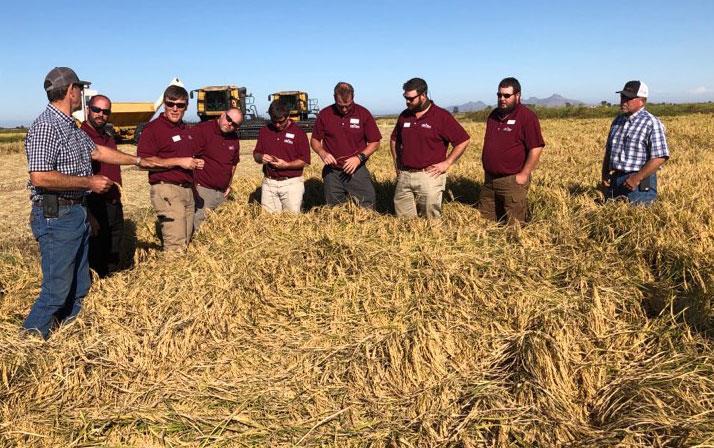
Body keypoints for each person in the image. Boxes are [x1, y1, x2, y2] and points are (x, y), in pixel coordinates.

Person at [23, 67, 154, 339]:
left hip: (74, 211)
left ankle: (67, 337)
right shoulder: (46, 126)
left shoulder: (70, 125)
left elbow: (98, 151)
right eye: (80, 89)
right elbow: (40, 176)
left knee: (81, 284)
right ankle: (29, 342)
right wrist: (89, 182)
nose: (81, 94)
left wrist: (137, 161)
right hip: (54, 213)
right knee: (57, 289)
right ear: (71, 90)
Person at [137, 85, 205, 251]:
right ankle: (171, 275)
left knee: (186, 241)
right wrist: (179, 161)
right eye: (170, 104)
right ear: (164, 104)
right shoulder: (153, 129)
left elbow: (184, 158)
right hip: (167, 189)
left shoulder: (185, 130)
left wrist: (195, 163)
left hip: (187, 191)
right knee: (175, 246)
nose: (175, 109)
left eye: (180, 105)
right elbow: (144, 161)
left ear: (186, 107)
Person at [390, 77, 470, 218]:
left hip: (429, 176)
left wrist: (447, 163)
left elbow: (462, 140)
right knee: (404, 223)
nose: (407, 101)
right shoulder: (404, 116)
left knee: (430, 220)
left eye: (411, 98)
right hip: (405, 175)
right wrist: (397, 164)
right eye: (405, 97)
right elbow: (394, 139)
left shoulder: (441, 116)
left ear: (423, 96)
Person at [478, 77, 545, 224]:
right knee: (486, 224)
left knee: (514, 227)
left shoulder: (527, 117)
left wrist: (524, 174)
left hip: (512, 182)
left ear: (517, 96)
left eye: (507, 96)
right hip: (490, 181)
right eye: (499, 95)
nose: (502, 99)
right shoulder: (493, 116)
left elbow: (536, 147)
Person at [311, 82, 381, 209]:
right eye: (340, 106)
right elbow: (315, 140)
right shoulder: (325, 114)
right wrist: (322, 153)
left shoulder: (363, 113)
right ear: (334, 98)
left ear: (353, 97)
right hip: (332, 172)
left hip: (357, 170)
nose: (344, 109)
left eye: (348, 106)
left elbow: (375, 142)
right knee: (334, 210)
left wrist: (358, 158)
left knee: (367, 206)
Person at [601, 81, 669, 204]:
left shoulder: (651, 123)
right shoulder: (618, 120)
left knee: (636, 217)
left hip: (639, 183)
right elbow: (609, 150)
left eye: (628, 98)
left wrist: (637, 178)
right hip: (616, 179)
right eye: (622, 97)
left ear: (641, 101)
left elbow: (660, 157)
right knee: (612, 218)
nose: (623, 101)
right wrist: (605, 173)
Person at [80, 95, 123, 278]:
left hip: (113, 203)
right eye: (97, 110)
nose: (101, 114)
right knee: (96, 257)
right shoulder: (80, 136)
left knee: (114, 251)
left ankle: (113, 291)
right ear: (88, 109)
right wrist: (87, 213)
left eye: (106, 111)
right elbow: (77, 178)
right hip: (94, 205)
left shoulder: (108, 137)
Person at [253, 101, 310, 213]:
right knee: (269, 222)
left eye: (281, 122)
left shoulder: (299, 133)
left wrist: (287, 165)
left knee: (291, 222)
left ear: (288, 116)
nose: (277, 125)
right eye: (274, 122)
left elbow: (305, 161)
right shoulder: (265, 131)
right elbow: (256, 154)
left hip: (291, 184)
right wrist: (261, 157)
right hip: (269, 183)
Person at [191, 108, 243, 230]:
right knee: (198, 225)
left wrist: (229, 184)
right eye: (229, 119)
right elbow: (185, 155)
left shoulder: (234, 138)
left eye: (234, 124)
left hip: (222, 192)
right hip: (203, 190)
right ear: (222, 114)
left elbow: (233, 163)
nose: (230, 124)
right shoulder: (202, 130)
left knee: (216, 229)